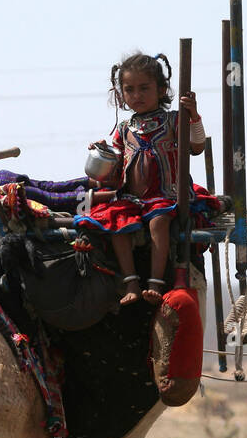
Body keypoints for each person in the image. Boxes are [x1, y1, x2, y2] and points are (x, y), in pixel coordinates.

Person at [74, 52, 217, 305]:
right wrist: (102, 153)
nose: (136, 95)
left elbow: (196, 146)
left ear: (161, 90)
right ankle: (131, 281)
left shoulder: (174, 120)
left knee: (158, 223)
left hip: (165, 196)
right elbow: (116, 166)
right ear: (121, 95)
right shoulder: (124, 128)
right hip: (133, 198)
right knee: (114, 221)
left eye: (144, 88)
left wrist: (193, 115)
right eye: (129, 89)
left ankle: (155, 282)